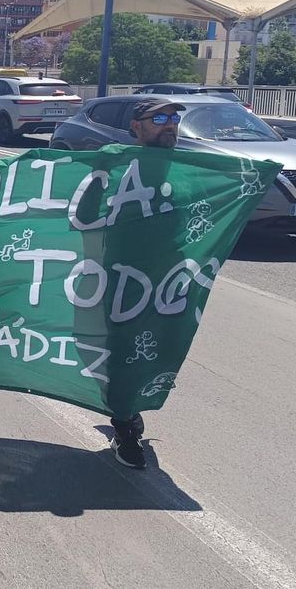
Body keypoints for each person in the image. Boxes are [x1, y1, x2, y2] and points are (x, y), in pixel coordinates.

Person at [107, 97, 184, 470]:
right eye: (160, 119)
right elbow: (83, 212)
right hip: (122, 283)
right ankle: (125, 428)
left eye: (174, 118)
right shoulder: (114, 164)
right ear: (137, 127)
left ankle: (129, 410)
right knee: (123, 354)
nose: (170, 124)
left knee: (157, 352)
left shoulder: (192, 167)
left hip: (170, 284)